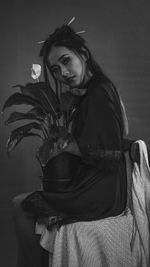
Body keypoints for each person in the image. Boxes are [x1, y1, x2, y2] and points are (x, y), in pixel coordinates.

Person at [13, 23, 129, 267]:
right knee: (25, 204)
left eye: (66, 61)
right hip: (103, 188)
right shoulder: (96, 89)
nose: (62, 73)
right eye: (55, 69)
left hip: (99, 193)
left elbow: (107, 155)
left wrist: (67, 146)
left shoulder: (97, 93)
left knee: (20, 206)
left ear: (83, 55)